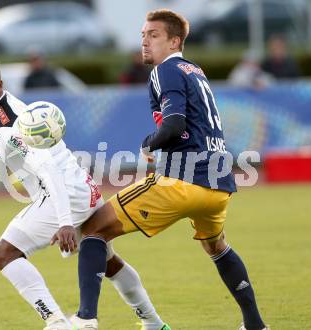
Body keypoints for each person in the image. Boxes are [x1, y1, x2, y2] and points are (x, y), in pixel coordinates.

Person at [0, 61, 167, 330]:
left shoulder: (17, 124)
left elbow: (50, 172)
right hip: (79, 188)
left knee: (4, 253)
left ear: (0, 86)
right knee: (108, 262)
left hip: (65, 192)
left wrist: (65, 222)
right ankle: (154, 323)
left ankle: (57, 322)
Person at [73, 9, 269, 330]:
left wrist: (149, 144)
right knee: (216, 246)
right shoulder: (194, 71)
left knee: (93, 230)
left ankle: (85, 320)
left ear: (174, 40)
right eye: (143, 35)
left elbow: (175, 124)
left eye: (154, 35)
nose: (145, 42)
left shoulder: (165, 70)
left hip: (184, 180)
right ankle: (255, 324)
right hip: (219, 185)